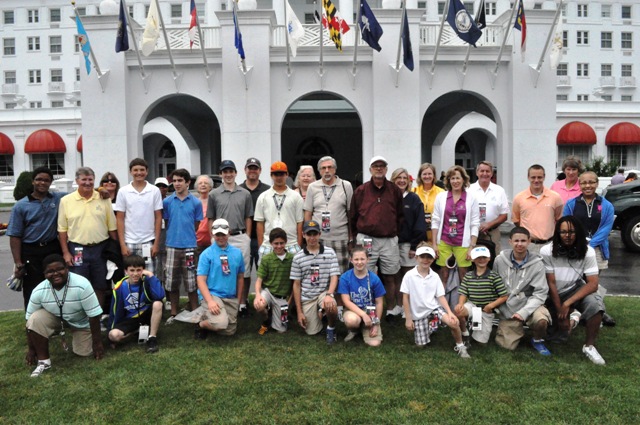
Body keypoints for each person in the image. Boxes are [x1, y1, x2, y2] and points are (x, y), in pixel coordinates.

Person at [540, 216, 606, 365]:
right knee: (557, 339)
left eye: (571, 232)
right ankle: (574, 319)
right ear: (557, 233)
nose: (567, 236)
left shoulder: (588, 251)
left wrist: (567, 304)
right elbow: (550, 282)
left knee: (595, 305)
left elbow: (593, 284)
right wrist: (560, 311)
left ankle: (589, 346)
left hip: (575, 289)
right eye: (563, 232)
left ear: (578, 233)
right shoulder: (546, 250)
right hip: (554, 292)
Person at [25, 254, 104, 377]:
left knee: (84, 353)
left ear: (67, 268)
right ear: (44, 274)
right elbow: (29, 323)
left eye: (59, 269)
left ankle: (79, 336)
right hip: (57, 319)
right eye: (50, 271)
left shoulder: (82, 284)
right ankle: (44, 361)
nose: (55, 273)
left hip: (81, 322)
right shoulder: (38, 291)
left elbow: (94, 316)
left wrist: (97, 343)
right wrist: (31, 349)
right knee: (34, 318)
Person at [350, 156, 404, 320]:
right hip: (366, 239)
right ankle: (368, 308)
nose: (379, 168)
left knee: (390, 275)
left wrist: (395, 233)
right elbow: (353, 215)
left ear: (386, 169)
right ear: (370, 169)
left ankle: (391, 310)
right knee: (365, 274)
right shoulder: (361, 190)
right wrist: (354, 239)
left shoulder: (394, 190)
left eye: (382, 166)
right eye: (375, 166)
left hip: (388, 239)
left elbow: (400, 215)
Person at [58, 167, 117, 309]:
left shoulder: (103, 198)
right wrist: (66, 253)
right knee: (80, 286)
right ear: (77, 181)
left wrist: (117, 250)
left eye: (90, 179)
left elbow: (112, 227)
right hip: (77, 249)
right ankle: (82, 319)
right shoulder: (66, 201)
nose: (87, 183)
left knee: (100, 285)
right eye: (84, 179)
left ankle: (97, 316)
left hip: (100, 249)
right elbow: (62, 230)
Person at [563, 171, 616, 326]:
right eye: (584, 182)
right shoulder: (572, 204)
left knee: (593, 282)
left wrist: (590, 245)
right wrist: (578, 243)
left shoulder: (606, 205)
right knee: (577, 282)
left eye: (591, 182)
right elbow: (567, 223)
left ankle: (599, 311)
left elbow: (606, 228)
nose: (588, 186)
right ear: (579, 184)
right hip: (575, 248)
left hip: (597, 249)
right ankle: (578, 311)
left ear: (597, 184)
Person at [7, 167, 64, 309]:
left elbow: (81, 193)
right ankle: (32, 321)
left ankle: (58, 318)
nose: (42, 183)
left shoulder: (57, 198)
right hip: (30, 251)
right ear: (33, 181)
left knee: (57, 283)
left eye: (46, 180)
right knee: (33, 287)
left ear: (51, 183)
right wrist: (18, 262)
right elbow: (15, 235)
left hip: (52, 247)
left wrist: (100, 190)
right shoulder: (21, 206)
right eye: (39, 179)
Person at [400, 244, 469, 358]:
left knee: (453, 322)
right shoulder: (409, 275)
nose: (426, 260)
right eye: (422, 257)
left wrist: (450, 313)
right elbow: (405, 298)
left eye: (429, 257)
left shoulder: (435, 276)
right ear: (416, 258)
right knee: (420, 345)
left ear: (433, 259)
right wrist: (408, 319)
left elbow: (441, 297)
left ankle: (461, 346)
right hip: (418, 314)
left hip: (434, 309)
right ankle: (430, 328)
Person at [492, 227, 552, 355]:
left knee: (541, 320)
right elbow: (494, 286)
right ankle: (513, 328)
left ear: (529, 241)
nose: (520, 244)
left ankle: (537, 340)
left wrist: (524, 312)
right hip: (507, 306)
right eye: (516, 241)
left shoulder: (537, 264)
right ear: (510, 242)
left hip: (529, 304)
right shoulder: (499, 260)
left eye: (523, 241)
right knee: (506, 346)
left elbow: (540, 292)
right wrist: (499, 308)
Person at [207, 160, 253, 317]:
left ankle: (242, 303)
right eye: (225, 172)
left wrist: (247, 235)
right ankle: (223, 301)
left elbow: (248, 216)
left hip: (240, 236)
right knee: (221, 270)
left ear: (235, 173)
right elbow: (210, 218)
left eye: (230, 171)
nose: (228, 174)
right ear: (221, 174)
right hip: (220, 237)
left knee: (243, 271)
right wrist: (211, 236)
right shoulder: (214, 194)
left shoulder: (245, 193)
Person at [291, 220, 341, 344]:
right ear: (303, 235)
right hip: (308, 297)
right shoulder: (298, 257)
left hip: (324, 293)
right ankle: (321, 314)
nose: (312, 238)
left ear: (319, 234)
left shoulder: (330, 252)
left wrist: (330, 295)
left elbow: (334, 276)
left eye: (314, 234)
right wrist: (299, 312)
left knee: (331, 305)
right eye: (309, 234)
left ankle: (331, 328)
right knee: (312, 332)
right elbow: (296, 285)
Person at [162, 169, 202, 323]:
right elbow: (167, 221)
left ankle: (194, 310)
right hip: (172, 246)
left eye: (180, 181)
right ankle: (173, 313)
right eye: (175, 181)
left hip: (190, 247)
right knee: (172, 281)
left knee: (191, 281)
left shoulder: (196, 202)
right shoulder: (167, 202)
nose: (177, 184)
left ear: (188, 182)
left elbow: (196, 224)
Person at [195, 218, 245, 338]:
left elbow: (240, 277)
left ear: (229, 233)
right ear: (212, 234)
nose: (221, 237)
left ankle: (211, 318)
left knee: (229, 331)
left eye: (223, 234)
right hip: (213, 295)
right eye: (217, 234)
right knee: (220, 324)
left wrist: (238, 299)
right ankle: (201, 323)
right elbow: (200, 280)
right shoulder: (206, 254)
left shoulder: (237, 253)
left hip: (230, 297)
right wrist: (210, 301)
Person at [431, 165, 480, 286]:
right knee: (444, 275)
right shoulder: (441, 197)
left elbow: (475, 223)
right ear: (448, 180)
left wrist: (472, 247)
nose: (455, 181)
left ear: (464, 179)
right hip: (444, 241)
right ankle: (442, 303)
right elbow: (435, 220)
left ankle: (462, 303)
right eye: (452, 178)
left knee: (464, 275)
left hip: (463, 242)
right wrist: (434, 244)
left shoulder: (471, 198)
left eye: (458, 178)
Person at [304, 156, 353, 274]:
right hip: (318, 239)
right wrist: (307, 236)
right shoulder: (312, 187)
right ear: (319, 171)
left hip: (340, 238)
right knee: (320, 274)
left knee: (341, 274)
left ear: (335, 169)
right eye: (323, 168)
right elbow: (308, 213)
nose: (326, 171)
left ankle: (338, 294)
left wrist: (351, 238)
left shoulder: (346, 186)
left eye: (329, 167)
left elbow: (350, 213)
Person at [107, 255, 165, 353]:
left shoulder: (146, 281)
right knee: (113, 335)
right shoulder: (119, 287)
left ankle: (152, 338)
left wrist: (151, 276)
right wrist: (110, 330)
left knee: (158, 304)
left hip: (147, 313)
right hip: (131, 318)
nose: (135, 274)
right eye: (132, 270)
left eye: (139, 270)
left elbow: (159, 296)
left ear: (143, 270)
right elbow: (114, 310)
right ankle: (135, 331)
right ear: (126, 271)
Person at [114, 158, 163, 272]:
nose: (139, 173)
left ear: (147, 171)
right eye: (135, 170)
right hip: (129, 241)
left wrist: (156, 244)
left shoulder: (154, 190)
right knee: (130, 276)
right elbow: (120, 219)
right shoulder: (123, 191)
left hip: (148, 241)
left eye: (142, 170)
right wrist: (122, 245)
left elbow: (158, 217)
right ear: (130, 172)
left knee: (149, 276)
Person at [453, 246, 508, 345]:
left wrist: (491, 306)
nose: (481, 260)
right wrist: (461, 303)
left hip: (486, 310)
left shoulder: (494, 276)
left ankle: (474, 329)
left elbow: (504, 296)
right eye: (478, 257)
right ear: (473, 259)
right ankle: (465, 333)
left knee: (481, 342)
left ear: (489, 258)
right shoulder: (468, 275)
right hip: (472, 305)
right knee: (459, 311)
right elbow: (463, 292)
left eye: (484, 257)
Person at [392, 167, 426, 316]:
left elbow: (419, 224)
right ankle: (398, 306)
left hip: (408, 245)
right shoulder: (389, 197)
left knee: (409, 277)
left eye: (405, 178)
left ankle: (409, 308)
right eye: (399, 178)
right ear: (393, 180)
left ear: (408, 181)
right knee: (395, 276)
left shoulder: (414, 199)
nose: (402, 181)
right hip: (391, 243)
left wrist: (414, 246)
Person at [337, 246, 385, 346]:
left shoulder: (375, 279)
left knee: (375, 343)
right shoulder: (345, 278)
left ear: (368, 259)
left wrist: (376, 323)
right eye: (356, 259)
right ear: (351, 260)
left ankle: (367, 327)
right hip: (353, 310)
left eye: (362, 259)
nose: (359, 262)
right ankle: (354, 329)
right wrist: (363, 315)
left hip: (371, 312)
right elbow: (346, 301)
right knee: (352, 320)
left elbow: (379, 302)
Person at [255, 161, 304, 260]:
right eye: (276, 174)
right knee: (266, 275)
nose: (279, 177)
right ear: (271, 176)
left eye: (281, 174)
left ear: (287, 175)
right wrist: (261, 245)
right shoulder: (263, 196)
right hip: (268, 245)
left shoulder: (296, 196)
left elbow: (300, 223)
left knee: (293, 275)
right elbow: (260, 223)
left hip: (291, 244)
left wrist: (298, 244)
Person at [511, 164, 564, 254]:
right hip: (528, 245)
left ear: (544, 177)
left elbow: (559, 219)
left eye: (539, 177)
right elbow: (516, 220)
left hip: (549, 244)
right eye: (533, 177)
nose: (536, 180)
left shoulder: (555, 197)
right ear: (528, 177)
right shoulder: (519, 198)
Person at [239, 158, 271, 299]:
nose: (252, 170)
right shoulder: (238, 190)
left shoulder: (267, 190)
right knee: (244, 273)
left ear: (260, 170)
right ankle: (243, 303)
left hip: (263, 238)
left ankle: (265, 300)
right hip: (243, 237)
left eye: (255, 168)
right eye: (250, 168)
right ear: (245, 170)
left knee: (264, 273)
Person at [253, 228, 294, 335]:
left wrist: (289, 301)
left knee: (281, 330)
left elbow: (296, 284)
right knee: (259, 305)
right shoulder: (266, 259)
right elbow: (259, 280)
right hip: (269, 292)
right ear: (271, 243)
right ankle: (266, 319)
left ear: (286, 242)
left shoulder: (292, 259)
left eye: (282, 243)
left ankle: (276, 314)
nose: (279, 246)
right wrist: (258, 295)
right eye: (276, 243)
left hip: (282, 298)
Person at [468, 161, 509, 253]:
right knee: (471, 258)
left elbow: (504, 215)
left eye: (487, 171)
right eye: (482, 171)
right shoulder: (468, 190)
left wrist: (489, 224)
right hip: (471, 232)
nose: (485, 174)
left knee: (494, 259)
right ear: (477, 172)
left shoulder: (499, 191)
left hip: (492, 232)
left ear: (492, 173)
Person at [412, 163, 444, 244]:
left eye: (430, 174)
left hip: (436, 236)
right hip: (417, 236)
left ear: (434, 176)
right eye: (424, 174)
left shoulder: (441, 192)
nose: (427, 176)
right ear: (420, 176)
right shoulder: (413, 191)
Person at [154, 177, 170, 309]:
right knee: (157, 273)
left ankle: (169, 300)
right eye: (158, 186)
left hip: (168, 241)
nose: (161, 189)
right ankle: (159, 299)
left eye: (164, 186)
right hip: (155, 242)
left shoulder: (169, 202)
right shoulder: (151, 201)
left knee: (168, 272)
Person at [195, 174, 214, 256]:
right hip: (196, 242)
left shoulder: (214, 202)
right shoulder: (194, 202)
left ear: (210, 186)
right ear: (197, 187)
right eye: (200, 183)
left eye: (206, 183)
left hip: (212, 241)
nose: (203, 185)